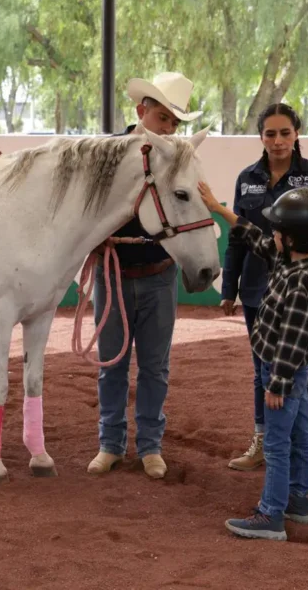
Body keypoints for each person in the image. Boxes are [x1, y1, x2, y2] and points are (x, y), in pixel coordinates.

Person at [199, 180, 308, 541]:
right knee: (300, 435)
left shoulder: (302, 282)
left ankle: (270, 515)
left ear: (292, 238)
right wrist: (218, 207)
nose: (272, 233)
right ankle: (300, 502)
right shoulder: (289, 259)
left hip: (283, 372)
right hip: (294, 373)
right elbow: (250, 234)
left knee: (276, 445)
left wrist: (277, 383)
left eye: (278, 230)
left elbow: (294, 339)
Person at [86, 72, 203, 479]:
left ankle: (150, 446)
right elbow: (84, 213)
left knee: (155, 366)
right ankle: (110, 443)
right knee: (111, 364)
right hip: (113, 273)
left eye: (174, 122)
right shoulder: (107, 154)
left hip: (159, 274)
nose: (169, 128)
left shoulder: (180, 158)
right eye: (163, 118)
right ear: (141, 112)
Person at [221, 103, 308, 473]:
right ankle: (262, 437)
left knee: (305, 366)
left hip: (301, 292)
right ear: (260, 137)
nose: (277, 141)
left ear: (297, 133)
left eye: (285, 132)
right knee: (262, 370)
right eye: (270, 134)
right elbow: (239, 237)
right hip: (258, 292)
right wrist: (229, 287)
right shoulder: (247, 178)